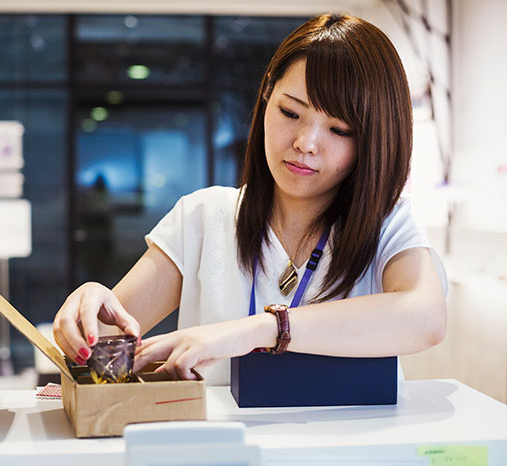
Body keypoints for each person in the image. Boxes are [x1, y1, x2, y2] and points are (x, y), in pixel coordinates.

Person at [53, 13, 447, 385]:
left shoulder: (388, 221)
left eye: (339, 130)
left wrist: (260, 329)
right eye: (290, 113)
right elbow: (100, 344)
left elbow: (425, 317)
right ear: (266, 99)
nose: (305, 143)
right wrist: (89, 305)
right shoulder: (204, 218)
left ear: (374, 141)